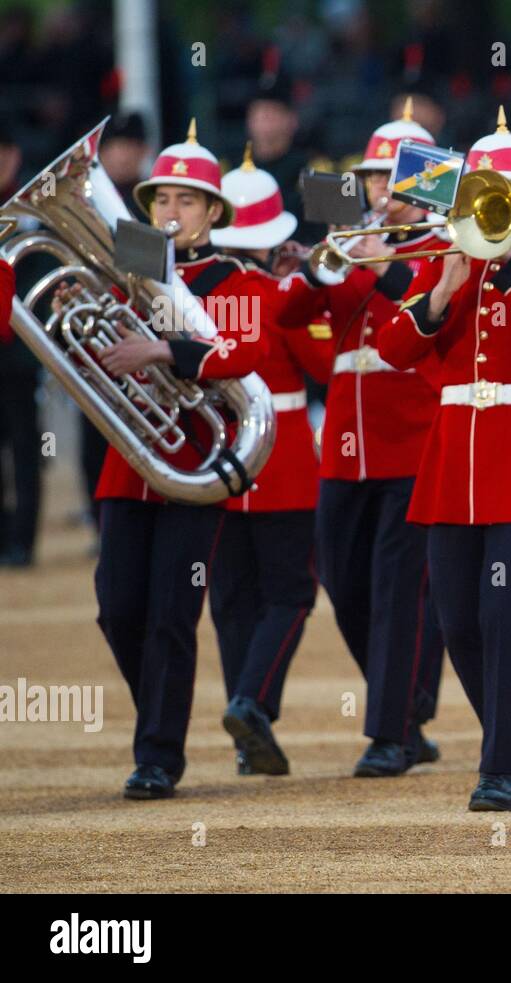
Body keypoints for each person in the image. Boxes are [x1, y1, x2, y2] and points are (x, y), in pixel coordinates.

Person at [373, 112, 511, 812]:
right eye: (482, 198)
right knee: (456, 619)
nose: (492, 208)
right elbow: (394, 351)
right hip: (452, 460)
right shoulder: (443, 263)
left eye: (505, 197)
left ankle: (503, 768)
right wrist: (441, 290)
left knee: (502, 613)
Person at [96, 121, 269, 799]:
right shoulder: (124, 275)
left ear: (213, 213)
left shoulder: (234, 279)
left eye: (187, 201)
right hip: (128, 462)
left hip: (196, 461)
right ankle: (160, 717)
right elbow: (98, 354)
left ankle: (158, 754)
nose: (170, 211)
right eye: (161, 199)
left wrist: (167, 350)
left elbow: (245, 351)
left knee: (172, 609)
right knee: (116, 606)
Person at [276, 102, 444, 777]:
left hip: (415, 432)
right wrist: (317, 265)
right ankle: (406, 708)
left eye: (398, 180)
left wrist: (379, 264)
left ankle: (388, 734)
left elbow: (431, 312)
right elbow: (289, 313)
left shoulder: (446, 242)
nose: (384, 192)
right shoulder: (348, 244)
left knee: (398, 588)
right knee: (344, 582)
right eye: (376, 179)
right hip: (347, 436)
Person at [206, 148, 335, 775]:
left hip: (212, 458)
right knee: (290, 595)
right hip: (279, 458)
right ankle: (251, 703)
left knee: (233, 598)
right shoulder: (277, 293)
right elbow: (323, 367)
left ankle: (245, 724)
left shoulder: (189, 293)